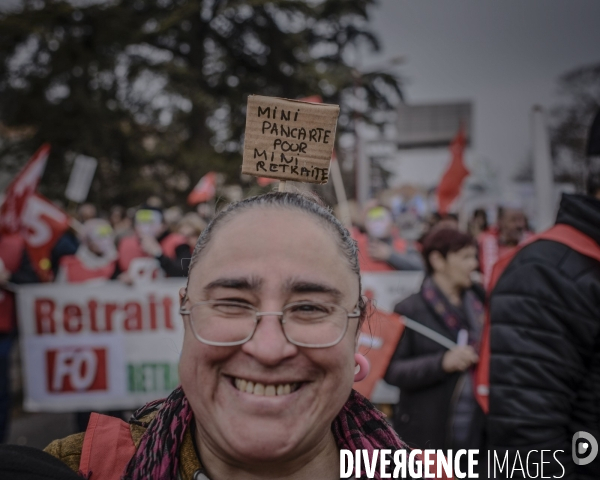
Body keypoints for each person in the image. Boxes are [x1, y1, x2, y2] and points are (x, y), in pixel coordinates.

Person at [44, 192, 411, 479]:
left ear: (356, 327)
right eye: (233, 303)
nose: (269, 349)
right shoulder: (75, 469)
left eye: (310, 308)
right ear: (186, 313)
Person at [486, 175, 600, 479]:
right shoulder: (544, 269)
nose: (517, 224)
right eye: (512, 219)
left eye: (521, 218)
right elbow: (529, 442)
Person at [384, 229, 485, 456]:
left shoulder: (481, 302)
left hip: (476, 433)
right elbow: (391, 371)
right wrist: (441, 363)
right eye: (465, 257)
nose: (474, 264)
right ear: (438, 260)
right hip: (427, 436)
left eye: (474, 256)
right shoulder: (410, 310)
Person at [116, 205, 189, 280]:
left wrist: (158, 254)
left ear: (164, 225)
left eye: (151, 223)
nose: (145, 227)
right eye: (141, 223)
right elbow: (112, 273)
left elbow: (183, 272)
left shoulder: (178, 243)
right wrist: (120, 277)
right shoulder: (125, 244)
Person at [353, 206, 423, 271]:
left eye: (381, 218)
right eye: (374, 219)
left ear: (392, 223)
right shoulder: (357, 245)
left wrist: (390, 256)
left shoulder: (405, 244)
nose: (377, 223)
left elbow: (420, 266)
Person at [477, 203, 529, 287]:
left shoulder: (532, 242)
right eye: (513, 220)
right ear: (500, 221)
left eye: (521, 220)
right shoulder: (484, 242)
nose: (519, 225)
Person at [55, 219, 118, 283]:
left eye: (108, 236)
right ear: (87, 241)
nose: (105, 242)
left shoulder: (117, 263)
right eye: (99, 237)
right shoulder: (69, 265)